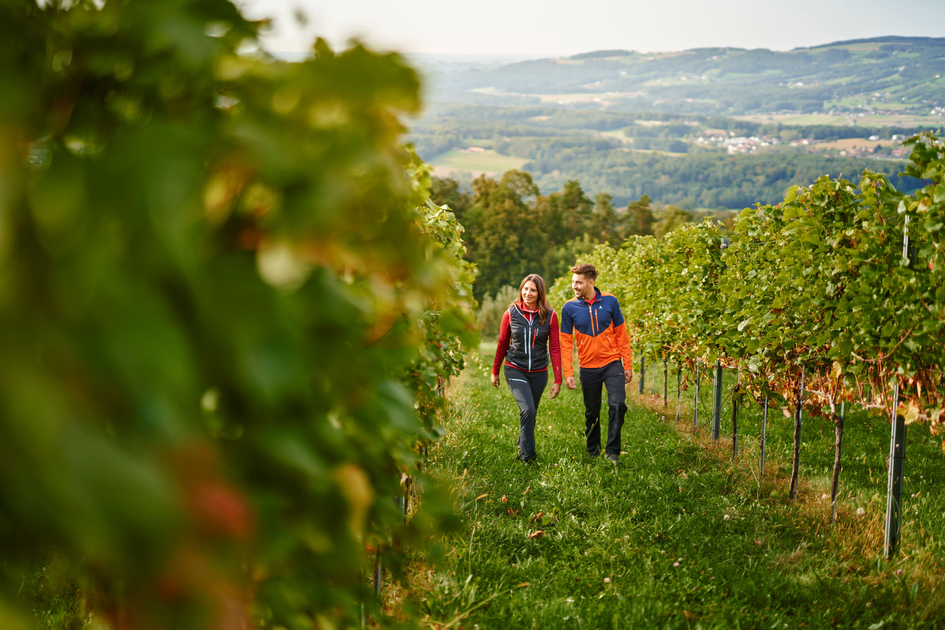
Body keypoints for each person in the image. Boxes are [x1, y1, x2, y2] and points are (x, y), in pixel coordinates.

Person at [560, 263, 633, 464]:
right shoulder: (569, 307)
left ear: (590, 282)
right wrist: (568, 372)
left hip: (612, 364)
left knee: (617, 403)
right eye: (573, 282)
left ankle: (612, 451)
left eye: (578, 282)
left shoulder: (610, 301)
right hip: (588, 367)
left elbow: (622, 335)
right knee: (592, 409)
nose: (574, 286)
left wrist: (627, 365)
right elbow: (565, 343)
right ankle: (593, 449)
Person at [491, 274, 562, 463]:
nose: (528, 293)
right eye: (525, 289)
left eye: (532, 290)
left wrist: (558, 379)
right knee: (528, 410)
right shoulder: (511, 313)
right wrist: (495, 371)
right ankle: (527, 456)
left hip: (539, 371)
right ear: (521, 290)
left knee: (531, 412)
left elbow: (555, 348)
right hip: (515, 367)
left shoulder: (550, 315)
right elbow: (502, 343)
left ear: (540, 293)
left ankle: (522, 444)